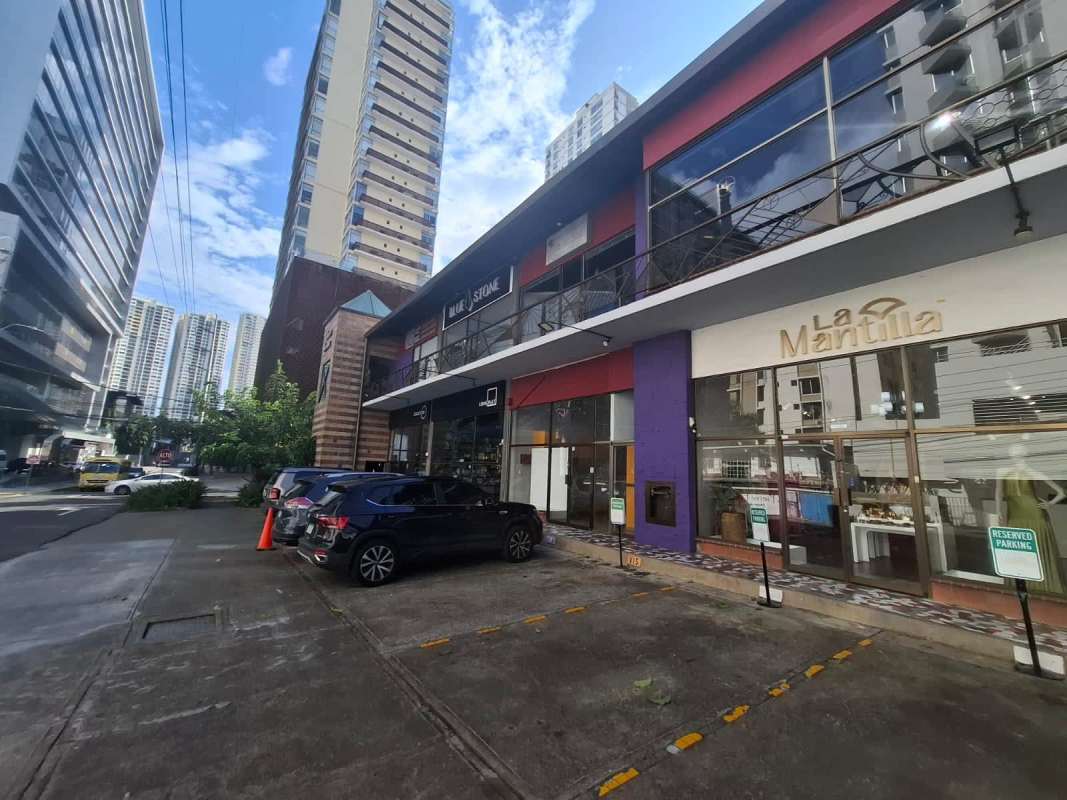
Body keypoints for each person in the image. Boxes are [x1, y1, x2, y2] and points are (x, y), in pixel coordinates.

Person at [995, 444, 1066, 595]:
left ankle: (1043, 587)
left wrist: (1049, 504)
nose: (1015, 456)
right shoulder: (1002, 471)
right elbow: (998, 493)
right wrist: (998, 512)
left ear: (1024, 455)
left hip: (1035, 515)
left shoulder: (1031, 471)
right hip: (1015, 516)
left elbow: (1061, 492)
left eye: (1018, 453)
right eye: (1013, 453)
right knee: (1019, 550)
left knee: (1037, 550)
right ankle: (1024, 585)